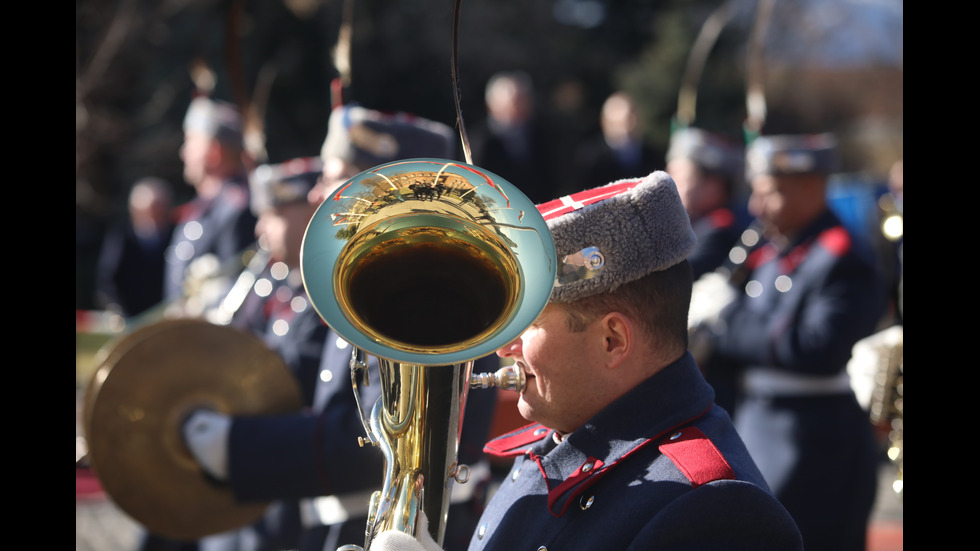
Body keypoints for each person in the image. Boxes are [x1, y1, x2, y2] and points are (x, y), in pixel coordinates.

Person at [373, 171, 804, 550]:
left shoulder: (714, 509)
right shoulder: (566, 433)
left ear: (612, 340)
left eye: (531, 323)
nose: (505, 347)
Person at [181, 104, 499, 551]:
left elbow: (377, 444)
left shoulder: (421, 291)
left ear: (387, 188)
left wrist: (237, 446)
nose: (317, 196)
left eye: (334, 178)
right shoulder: (370, 282)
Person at [699, 133, 886, 551]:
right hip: (759, 426)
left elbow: (816, 347)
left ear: (811, 187)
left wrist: (725, 321)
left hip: (815, 444)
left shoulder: (842, 257)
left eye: (771, 193)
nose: (755, 207)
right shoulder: (770, 251)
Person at [164, 96, 258, 316]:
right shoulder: (202, 207)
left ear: (214, 152)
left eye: (190, 141)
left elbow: (235, 293)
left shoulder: (237, 209)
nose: (183, 152)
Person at [665, 126, 748, 281]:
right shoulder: (693, 224)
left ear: (714, 187)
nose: (669, 188)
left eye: (683, 179)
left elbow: (672, 277)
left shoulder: (719, 231)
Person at [467, 71, 560, 205]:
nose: (521, 107)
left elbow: (551, 178)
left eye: (525, 100)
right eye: (515, 101)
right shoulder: (479, 140)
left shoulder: (541, 134)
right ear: (493, 105)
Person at [95, 176, 176, 318]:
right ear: (135, 210)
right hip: (131, 318)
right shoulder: (121, 237)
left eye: (159, 209)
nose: (154, 217)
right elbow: (108, 279)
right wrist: (119, 311)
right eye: (149, 210)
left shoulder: (177, 235)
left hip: (167, 317)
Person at [568, 91, 664, 194]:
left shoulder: (653, 156)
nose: (631, 125)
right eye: (624, 122)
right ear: (605, 122)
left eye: (633, 118)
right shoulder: (590, 157)